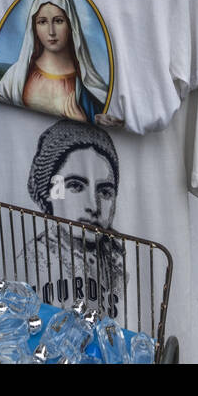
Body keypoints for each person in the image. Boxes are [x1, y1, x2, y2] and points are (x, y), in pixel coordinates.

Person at [17, 119, 125, 313]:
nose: (94, 206)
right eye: (76, 186)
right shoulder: (34, 259)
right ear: (48, 191)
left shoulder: (118, 259)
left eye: (105, 192)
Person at [0, 0, 111, 124]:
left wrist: (82, 122)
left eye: (58, 21)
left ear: (71, 25)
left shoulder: (87, 86)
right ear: (34, 28)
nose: (51, 32)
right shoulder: (16, 76)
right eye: (42, 22)